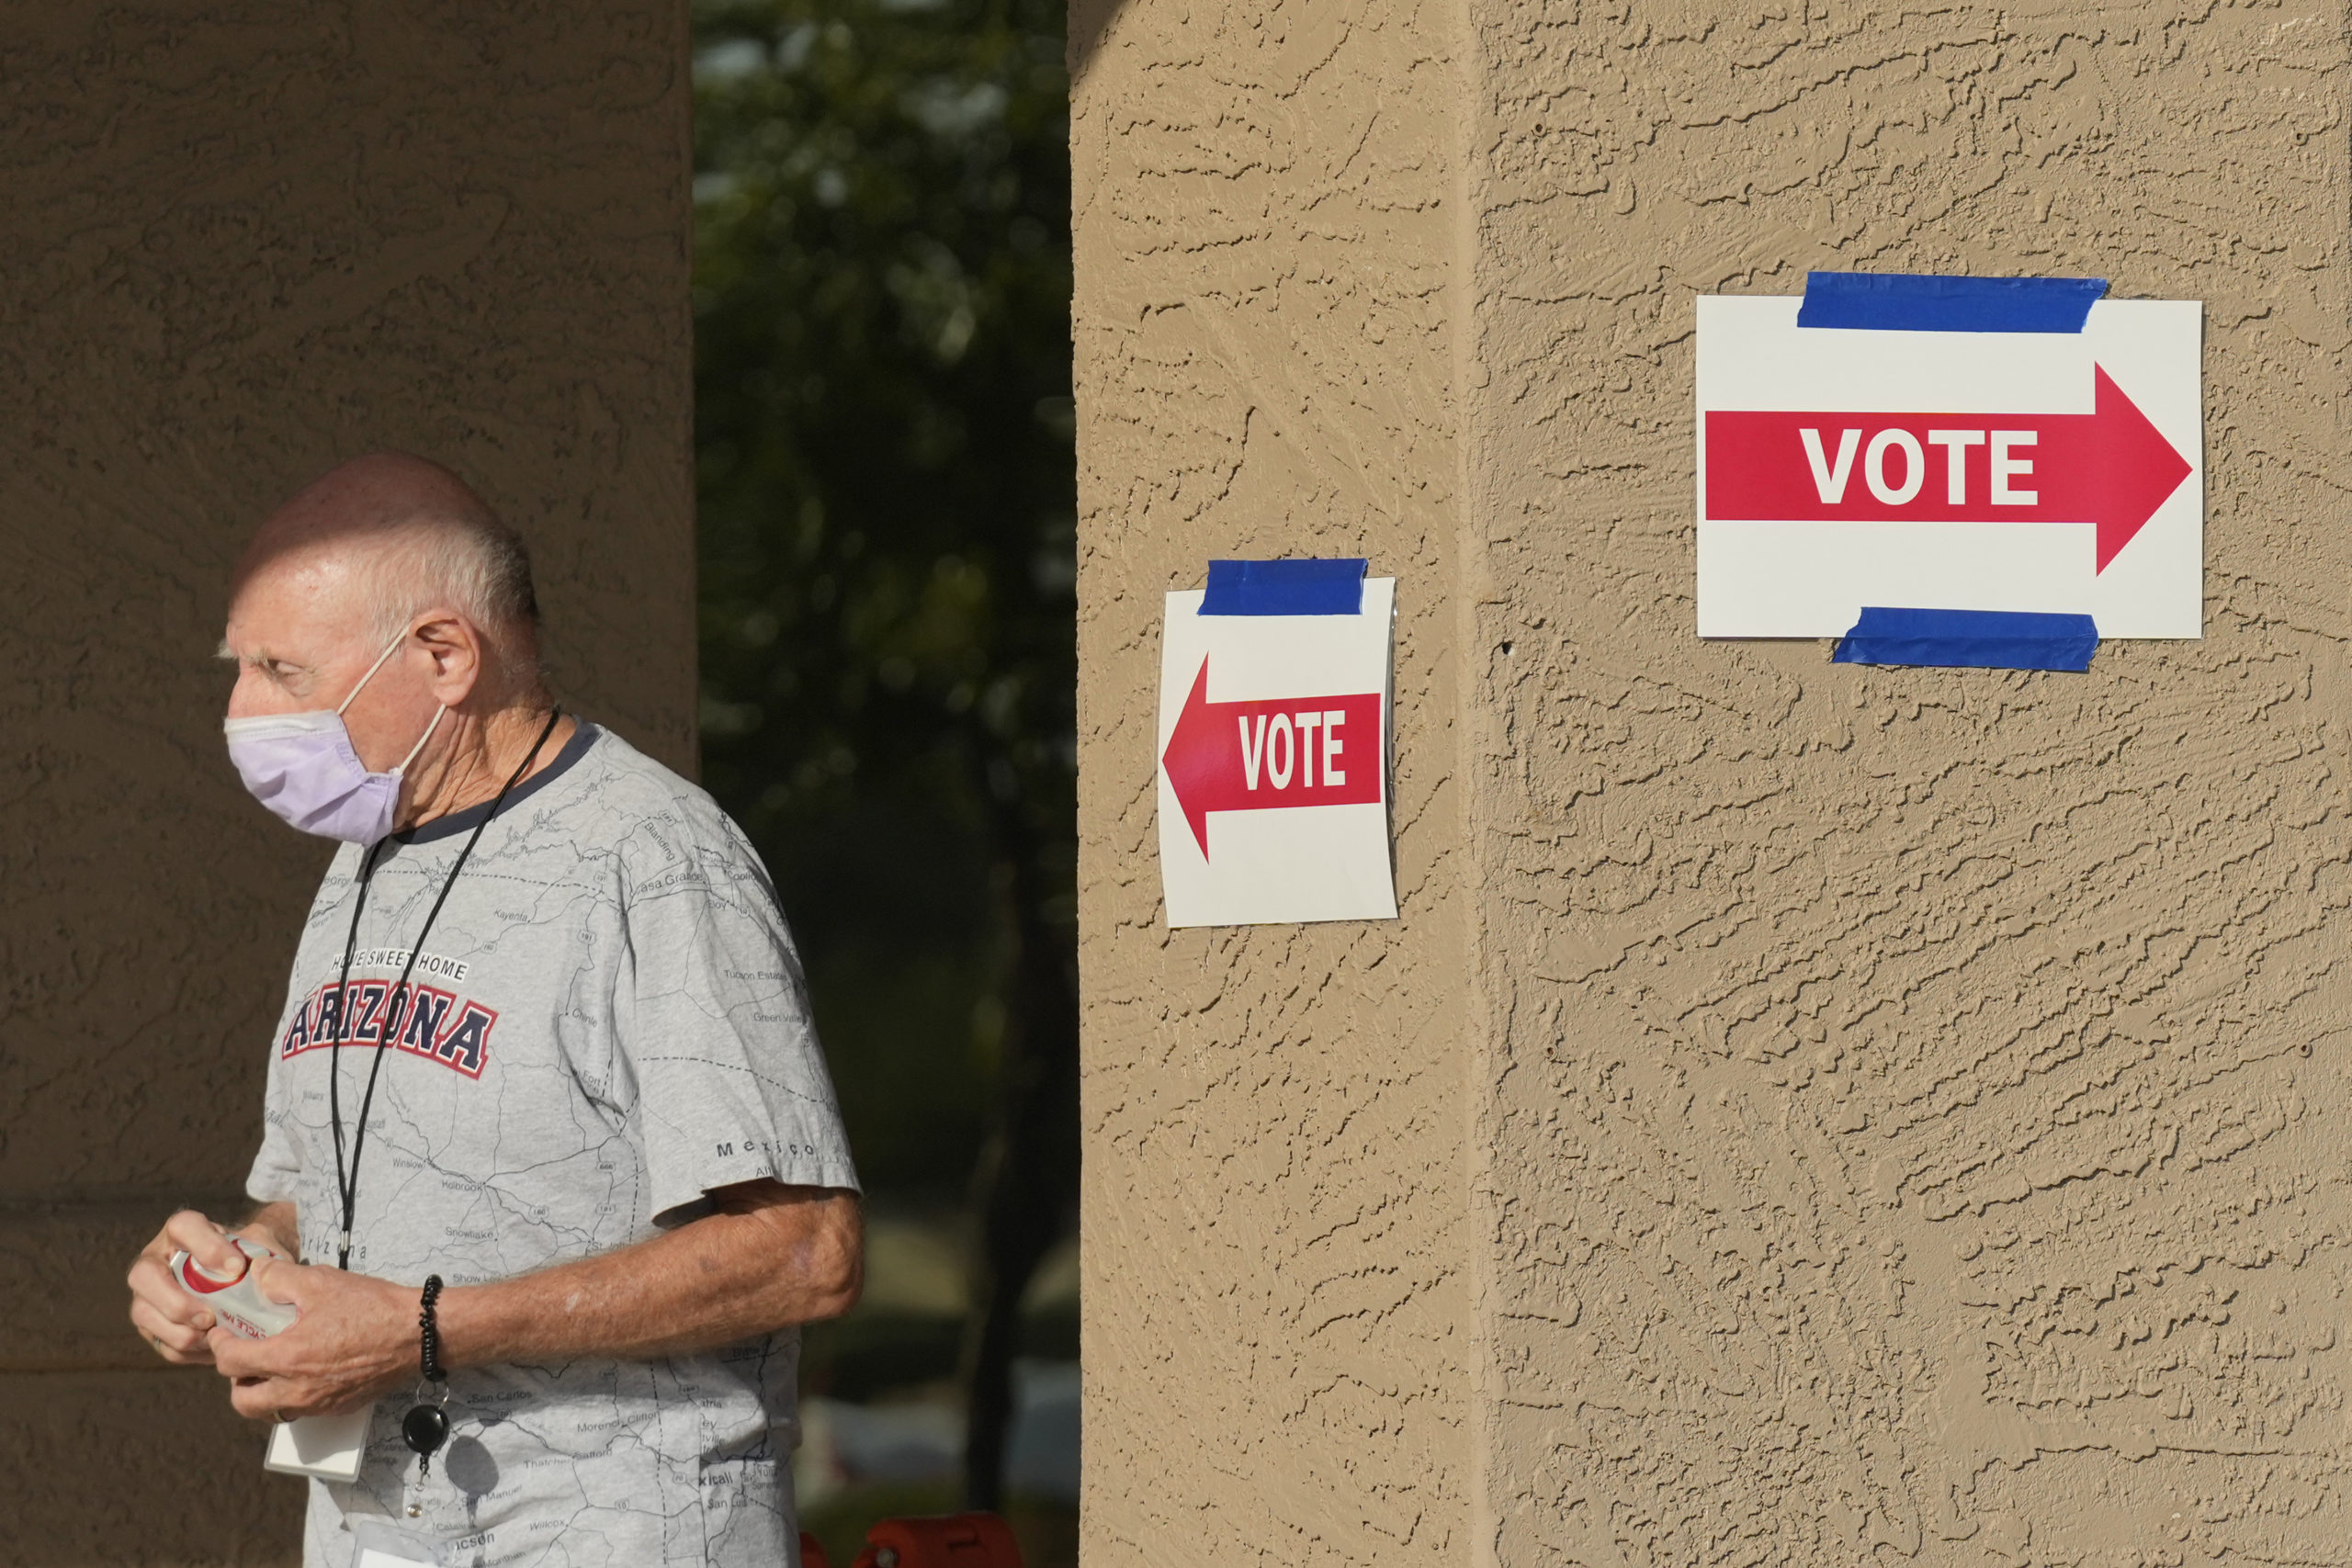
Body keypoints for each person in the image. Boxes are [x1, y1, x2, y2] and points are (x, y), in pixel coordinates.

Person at [123, 454, 862, 1566]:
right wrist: (234, 1264)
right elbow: (307, 1198)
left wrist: (419, 1332)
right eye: (241, 669)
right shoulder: (366, 859)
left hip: (618, 1530)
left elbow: (805, 1250)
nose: (242, 713)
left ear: (444, 655)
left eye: (281, 670)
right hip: (378, 1529)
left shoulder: (654, 857)